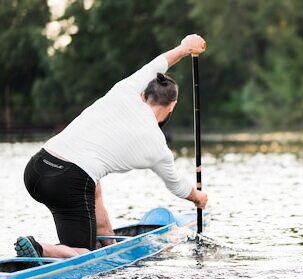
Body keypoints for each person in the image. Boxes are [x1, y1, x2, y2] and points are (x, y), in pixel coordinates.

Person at [15, 34, 209, 259]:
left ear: (144, 92)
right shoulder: (158, 146)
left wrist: (185, 48)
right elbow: (178, 186)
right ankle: (40, 248)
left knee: (95, 186)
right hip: (69, 183)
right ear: (172, 106)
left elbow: (161, 62)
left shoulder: (126, 88)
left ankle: (106, 241)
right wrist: (198, 198)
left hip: (36, 168)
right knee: (83, 255)